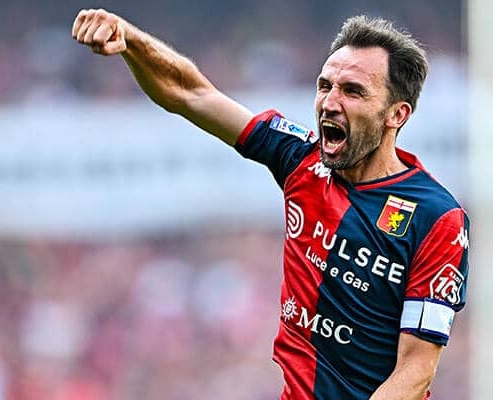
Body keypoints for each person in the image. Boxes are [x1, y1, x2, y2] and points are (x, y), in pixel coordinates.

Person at [72, 9, 470, 400]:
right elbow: (190, 93)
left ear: (396, 114)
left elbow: (416, 370)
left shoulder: (436, 217)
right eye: (325, 86)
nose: (330, 103)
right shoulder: (300, 159)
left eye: (352, 91)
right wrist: (130, 39)